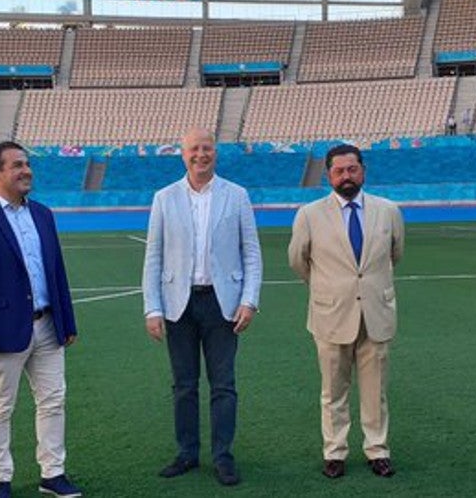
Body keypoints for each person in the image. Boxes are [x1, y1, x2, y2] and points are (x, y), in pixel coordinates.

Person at [0, 142, 83, 498]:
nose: (26, 171)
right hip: (2, 331)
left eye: (27, 164)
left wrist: (67, 321)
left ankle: (52, 473)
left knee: (53, 400)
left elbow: (56, 271)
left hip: (48, 325)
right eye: (17, 165)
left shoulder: (42, 214)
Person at [142, 127, 263, 487]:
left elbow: (251, 252)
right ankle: (187, 453)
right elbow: (154, 256)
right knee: (184, 385)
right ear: (183, 154)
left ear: (215, 153)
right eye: (194, 149)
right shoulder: (164, 198)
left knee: (224, 384)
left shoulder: (236, 195)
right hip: (178, 304)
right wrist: (152, 308)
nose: (201, 155)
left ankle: (223, 456)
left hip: (223, 304)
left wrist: (249, 300)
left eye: (207, 148)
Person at [288, 144, 405, 480]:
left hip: (376, 313)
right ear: (329, 176)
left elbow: (395, 254)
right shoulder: (309, 215)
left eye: (352, 169)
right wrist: (331, 288)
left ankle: (377, 450)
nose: (346, 176)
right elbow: (298, 260)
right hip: (331, 314)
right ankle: (335, 451)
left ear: (363, 171)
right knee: (333, 391)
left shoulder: (388, 211)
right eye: (339, 171)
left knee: (375, 391)